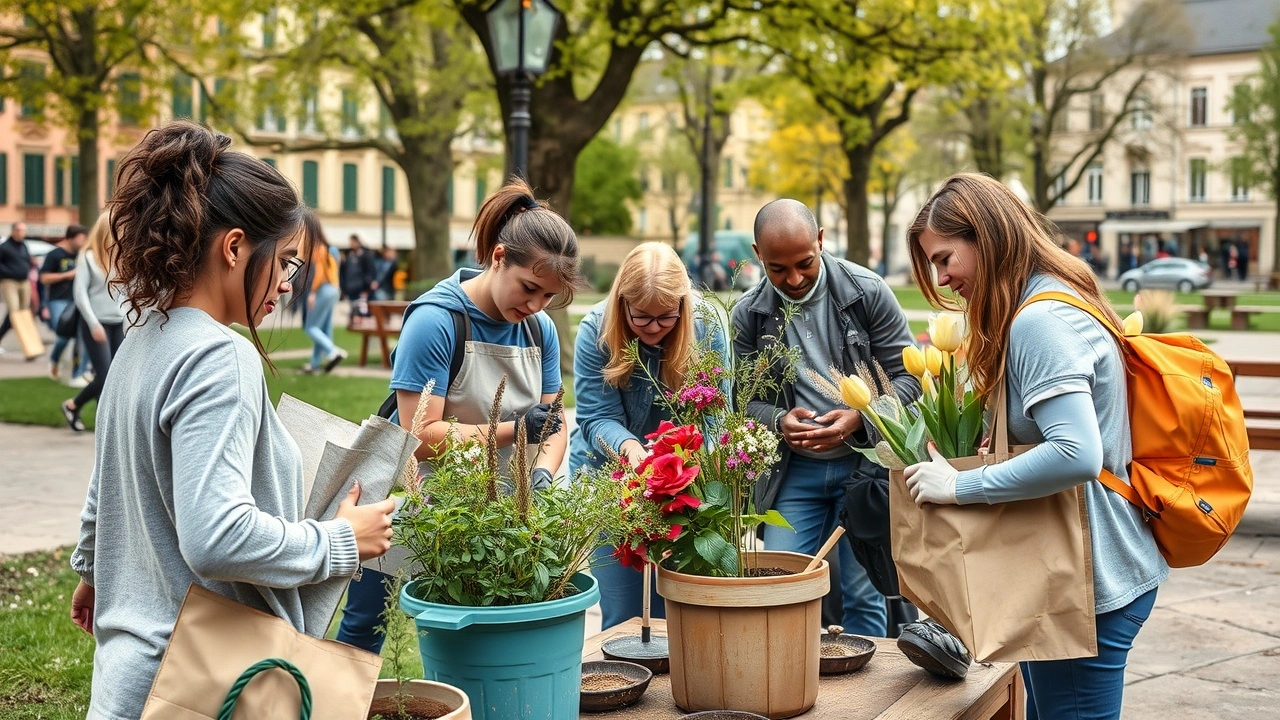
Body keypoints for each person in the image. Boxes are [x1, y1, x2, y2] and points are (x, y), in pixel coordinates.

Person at [66, 122, 397, 719]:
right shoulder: (220, 356)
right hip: (201, 684)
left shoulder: (142, 337)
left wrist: (93, 570)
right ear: (235, 247)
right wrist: (342, 542)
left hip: (132, 675)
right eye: (288, 262)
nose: (289, 286)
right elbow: (216, 536)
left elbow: (106, 481)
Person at [904, 173, 1167, 719]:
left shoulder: (1041, 320)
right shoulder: (1055, 295)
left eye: (946, 257)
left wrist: (959, 486)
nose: (942, 276)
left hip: (1086, 580)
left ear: (987, 236)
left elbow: (1077, 454)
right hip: (1075, 568)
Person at [334, 177, 582, 653]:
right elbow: (419, 435)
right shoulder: (436, 320)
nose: (535, 305)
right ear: (498, 257)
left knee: (482, 640)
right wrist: (514, 431)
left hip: (503, 516)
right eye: (529, 288)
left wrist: (545, 478)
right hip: (417, 507)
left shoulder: (540, 330)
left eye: (548, 297)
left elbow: (553, 427)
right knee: (365, 630)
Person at [732, 199, 920, 637]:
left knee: (863, 592)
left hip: (865, 468)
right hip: (795, 473)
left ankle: (864, 698)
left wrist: (861, 416)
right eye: (778, 269)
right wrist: (779, 420)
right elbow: (740, 401)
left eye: (805, 263)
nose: (794, 279)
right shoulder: (748, 314)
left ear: (821, 241)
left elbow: (911, 382)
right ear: (758, 254)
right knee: (779, 585)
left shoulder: (867, 292)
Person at [570, 242, 728, 630]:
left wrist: (683, 468)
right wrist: (631, 449)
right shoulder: (596, 330)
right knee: (625, 611)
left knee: (678, 608)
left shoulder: (707, 327)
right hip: (610, 477)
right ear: (622, 303)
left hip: (684, 481)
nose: (655, 329)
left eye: (666, 318)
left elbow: (714, 415)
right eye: (642, 318)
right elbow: (595, 417)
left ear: (683, 306)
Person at [60, 215, 126, 432]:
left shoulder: (122, 257)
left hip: (120, 323)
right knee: (106, 374)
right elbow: (80, 295)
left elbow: (128, 291)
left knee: (115, 376)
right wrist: (93, 324)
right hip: (96, 325)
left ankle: (84, 411)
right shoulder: (87, 257)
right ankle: (81, 409)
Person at [40, 225, 89, 383]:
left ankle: (79, 371)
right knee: (63, 336)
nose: (83, 242)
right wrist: (67, 275)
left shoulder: (83, 255)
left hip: (78, 300)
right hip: (59, 300)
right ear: (70, 238)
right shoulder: (55, 255)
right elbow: (44, 278)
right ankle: (54, 360)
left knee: (81, 336)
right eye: (80, 239)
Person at [300, 216, 347, 374]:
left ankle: (333, 352)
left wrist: (312, 292)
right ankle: (315, 364)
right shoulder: (329, 248)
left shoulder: (317, 248)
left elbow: (318, 274)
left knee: (311, 327)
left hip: (324, 289)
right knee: (322, 328)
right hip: (334, 290)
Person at [0, 221, 34, 353]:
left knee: (23, 312)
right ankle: (29, 347)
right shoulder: (4, 247)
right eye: (19, 230)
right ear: (13, 231)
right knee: (15, 313)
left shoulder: (24, 246)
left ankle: (30, 344)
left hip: (24, 282)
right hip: (9, 282)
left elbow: (27, 261)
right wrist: (8, 272)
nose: (21, 233)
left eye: (23, 230)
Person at [340, 234, 378, 316]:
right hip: (350, 286)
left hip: (361, 287)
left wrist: (368, 284)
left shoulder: (366, 255)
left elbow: (370, 270)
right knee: (353, 308)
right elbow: (344, 271)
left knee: (362, 309)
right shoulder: (348, 255)